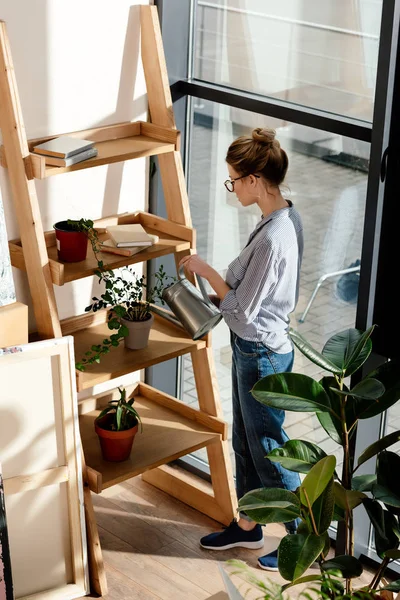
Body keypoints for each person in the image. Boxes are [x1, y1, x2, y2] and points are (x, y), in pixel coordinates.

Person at [179, 127, 303, 571]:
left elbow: (241, 308)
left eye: (233, 180)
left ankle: (300, 538)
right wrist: (218, 293)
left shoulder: (272, 238)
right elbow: (250, 296)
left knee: (271, 450)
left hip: (262, 353)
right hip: (255, 348)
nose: (231, 189)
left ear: (254, 180)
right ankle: (248, 527)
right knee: (248, 447)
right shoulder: (281, 218)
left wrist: (205, 272)